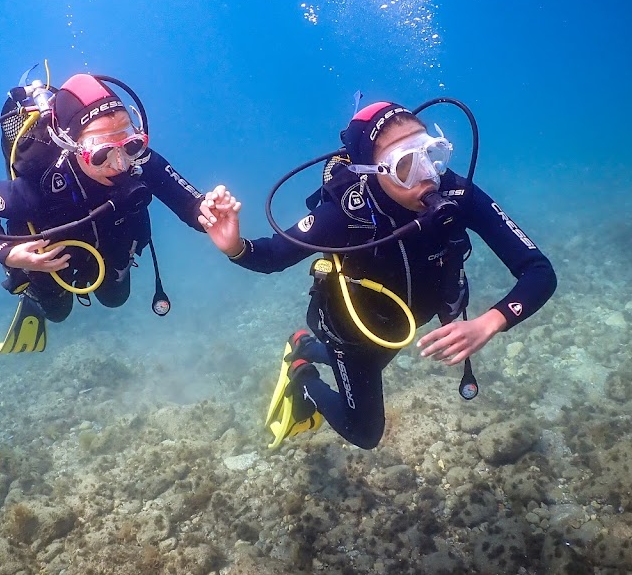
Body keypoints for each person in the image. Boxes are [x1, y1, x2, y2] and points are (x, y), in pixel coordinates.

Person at [200, 101, 557, 449]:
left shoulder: (456, 193)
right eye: (405, 165)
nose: (427, 175)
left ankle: (304, 345)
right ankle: (303, 374)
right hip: (353, 334)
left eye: (431, 154)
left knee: (376, 362)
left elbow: (539, 271)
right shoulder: (343, 215)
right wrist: (234, 246)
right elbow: (269, 257)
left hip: (403, 324)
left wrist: (489, 322)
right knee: (365, 432)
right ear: (372, 172)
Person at [0, 72, 213, 353]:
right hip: (51, 261)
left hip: (112, 249)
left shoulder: (138, 161)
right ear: (72, 147)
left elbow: (191, 205)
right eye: (101, 153)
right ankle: (32, 296)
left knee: (115, 299)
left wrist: (211, 213)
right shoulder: (39, 186)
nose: (120, 164)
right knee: (58, 312)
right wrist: (7, 254)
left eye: (129, 144)